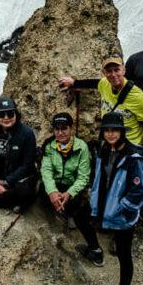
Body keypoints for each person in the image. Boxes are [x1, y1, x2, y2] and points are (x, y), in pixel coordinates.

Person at [88, 112, 143, 285]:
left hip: (122, 216)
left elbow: (139, 192)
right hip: (105, 209)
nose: (111, 134)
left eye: (115, 130)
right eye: (107, 130)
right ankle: (93, 250)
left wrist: (121, 207)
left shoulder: (133, 157)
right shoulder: (104, 150)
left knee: (124, 254)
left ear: (122, 132)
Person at [40, 112, 102, 266]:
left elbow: (83, 177)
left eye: (64, 128)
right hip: (55, 186)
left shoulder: (82, 148)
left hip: (73, 188)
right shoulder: (49, 146)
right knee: (41, 193)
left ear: (71, 129)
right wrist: (53, 192)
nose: (60, 132)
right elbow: (46, 171)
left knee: (82, 214)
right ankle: (62, 213)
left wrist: (69, 193)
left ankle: (95, 250)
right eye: (57, 129)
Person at [58, 56, 143, 145]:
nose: (113, 75)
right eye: (109, 71)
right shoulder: (105, 83)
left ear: (124, 70)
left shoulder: (136, 96)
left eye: (116, 70)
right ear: (104, 73)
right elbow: (94, 83)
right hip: (109, 142)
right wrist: (74, 83)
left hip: (130, 144)